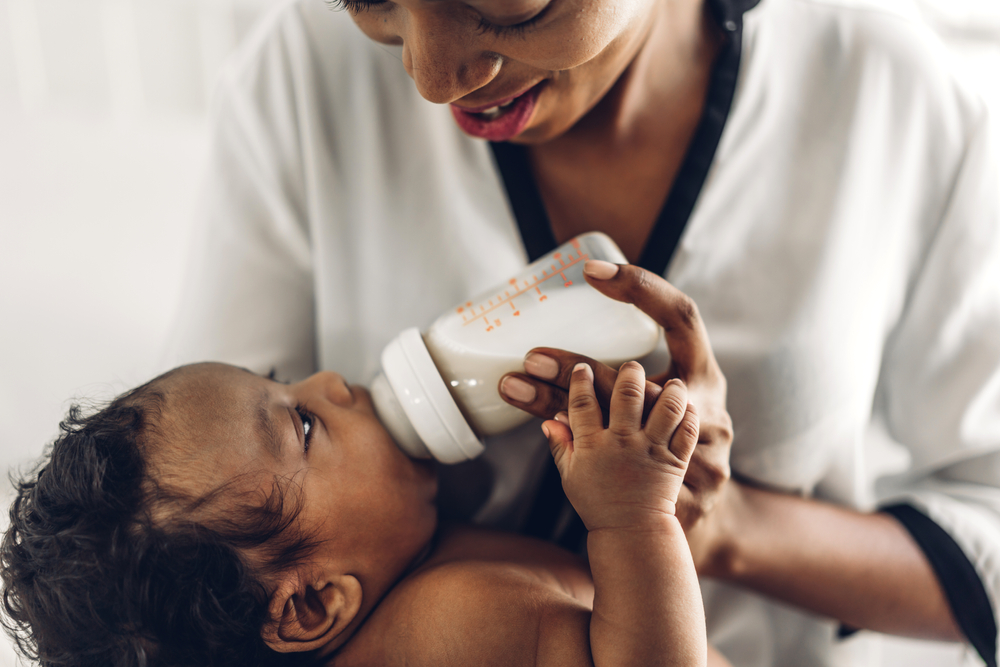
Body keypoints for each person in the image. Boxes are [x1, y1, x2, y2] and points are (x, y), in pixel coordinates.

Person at [162, 0, 1000, 664]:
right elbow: (188, 560)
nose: (432, 76)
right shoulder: (300, 74)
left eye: (507, 5)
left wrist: (730, 526)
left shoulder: (890, 90)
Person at [1, 358, 733, 667]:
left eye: (285, 382)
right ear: (315, 602)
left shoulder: (416, 580)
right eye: (304, 424)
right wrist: (634, 518)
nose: (329, 380)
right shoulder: (449, 625)